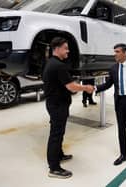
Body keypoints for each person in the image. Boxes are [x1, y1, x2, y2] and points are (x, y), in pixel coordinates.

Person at [43, 37, 93, 179]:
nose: (68, 51)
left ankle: (59, 154)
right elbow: (71, 87)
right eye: (65, 48)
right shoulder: (59, 66)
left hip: (54, 103)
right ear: (57, 49)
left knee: (59, 131)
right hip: (58, 105)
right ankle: (54, 167)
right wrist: (85, 87)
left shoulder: (49, 63)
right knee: (56, 134)